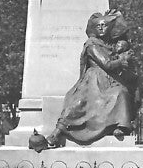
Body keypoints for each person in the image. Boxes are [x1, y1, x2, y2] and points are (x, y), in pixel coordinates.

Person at [47, 11, 136, 146]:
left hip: (109, 81)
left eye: (104, 25)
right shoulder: (92, 45)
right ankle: (57, 132)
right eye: (98, 26)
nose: (101, 28)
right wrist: (121, 61)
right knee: (78, 103)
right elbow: (107, 63)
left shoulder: (111, 45)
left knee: (122, 93)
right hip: (93, 81)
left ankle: (120, 127)